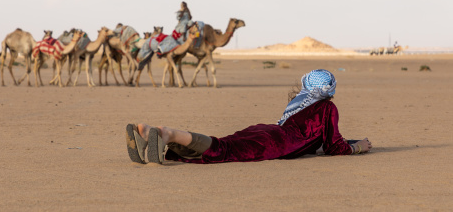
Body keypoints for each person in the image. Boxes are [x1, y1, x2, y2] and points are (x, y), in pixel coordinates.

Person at [125, 69, 372, 164]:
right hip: (276, 142)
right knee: (224, 149)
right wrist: (358, 147)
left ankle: (153, 136)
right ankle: (166, 133)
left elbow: (325, 141)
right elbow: (333, 146)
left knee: (224, 146)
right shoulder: (327, 108)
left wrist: (348, 142)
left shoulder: (301, 102)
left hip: (266, 131)